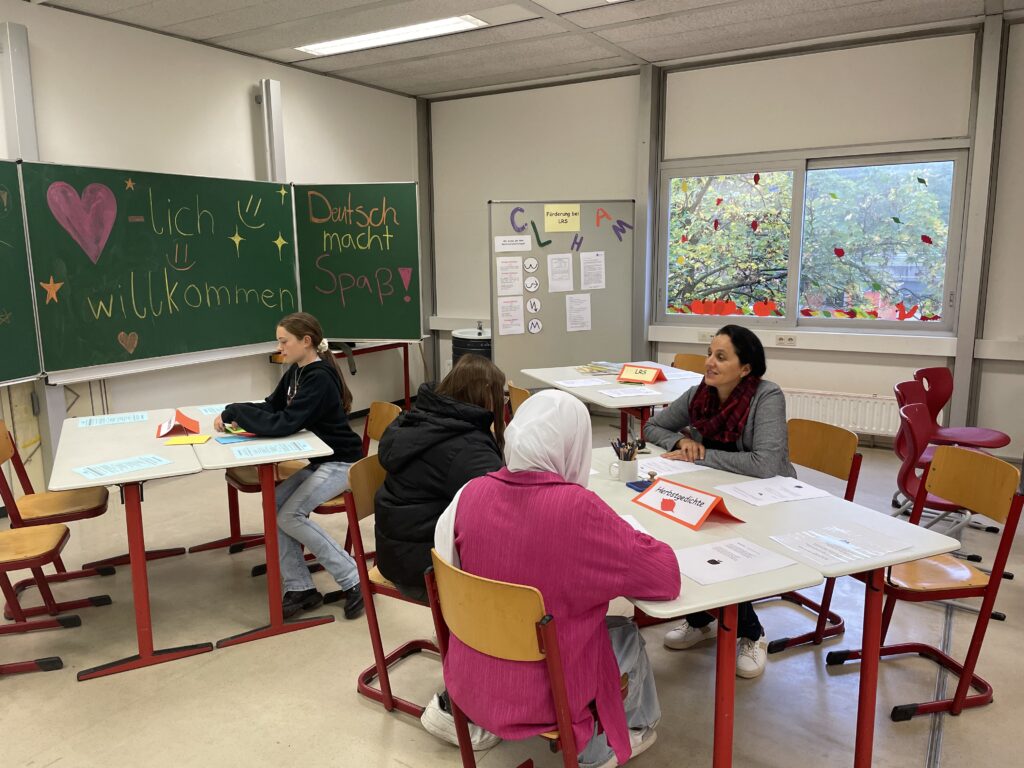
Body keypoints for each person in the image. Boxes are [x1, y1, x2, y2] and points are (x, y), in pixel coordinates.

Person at [434, 390, 681, 768]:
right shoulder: (578, 510)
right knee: (625, 633)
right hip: (548, 696)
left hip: (470, 678)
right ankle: (613, 742)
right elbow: (666, 577)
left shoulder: (471, 492)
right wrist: (628, 536)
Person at [643, 323, 795, 678]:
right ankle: (701, 620)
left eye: (721, 357)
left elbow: (764, 464)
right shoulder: (701, 393)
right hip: (717, 488)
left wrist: (701, 455)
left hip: (767, 498)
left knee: (725, 553)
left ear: (745, 368)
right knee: (679, 536)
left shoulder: (767, 396)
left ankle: (752, 633)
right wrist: (681, 443)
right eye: (710, 353)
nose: (709, 362)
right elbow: (652, 427)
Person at [216, 312, 364, 621]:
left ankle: (353, 578)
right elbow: (272, 406)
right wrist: (233, 411)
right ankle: (300, 587)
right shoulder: (297, 371)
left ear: (306, 341)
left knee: (289, 515)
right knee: (275, 504)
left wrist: (237, 413)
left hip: (342, 462)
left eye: (284, 341)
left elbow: (285, 423)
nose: (279, 347)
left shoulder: (319, 378)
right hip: (322, 459)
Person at [375, 353, 506, 604]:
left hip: (396, 555)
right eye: (502, 396)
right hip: (424, 571)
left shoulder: (420, 418)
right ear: (487, 393)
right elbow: (499, 503)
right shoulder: (467, 448)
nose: (503, 403)